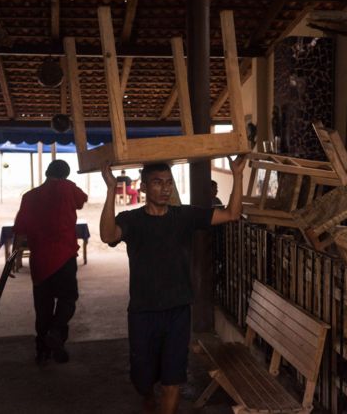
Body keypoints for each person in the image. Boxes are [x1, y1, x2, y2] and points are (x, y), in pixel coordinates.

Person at [100, 156, 246, 414]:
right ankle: (146, 393)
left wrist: (237, 175)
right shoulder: (132, 220)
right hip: (143, 311)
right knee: (142, 376)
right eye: (157, 183)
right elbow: (108, 235)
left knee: (173, 378)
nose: (165, 188)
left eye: (169, 182)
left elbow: (232, 214)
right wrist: (111, 189)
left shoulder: (184, 216)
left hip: (178, 310)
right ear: (143, 187)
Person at [14, 160, 88, 365]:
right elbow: (82, 201)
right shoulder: (67, 188)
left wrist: (14, 256)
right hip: (64, 256)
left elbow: (19, 229)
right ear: (66, 174)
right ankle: (56, 333)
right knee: (67, 299)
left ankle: (42, 350)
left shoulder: (29, 196)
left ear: (47, 172)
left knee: (43, 307)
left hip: (40, 260)